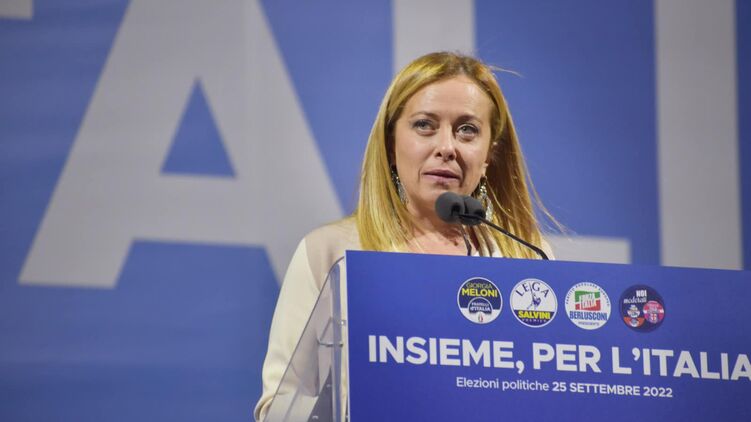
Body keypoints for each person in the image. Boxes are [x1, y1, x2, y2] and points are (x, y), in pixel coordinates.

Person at [253, 51, 553, 421]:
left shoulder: (529, 260)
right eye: (425, 125)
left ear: (489, 154)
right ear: (391, 145)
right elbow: (279, 407)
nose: (447, 147)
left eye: (467, 130)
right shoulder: (330, 253)